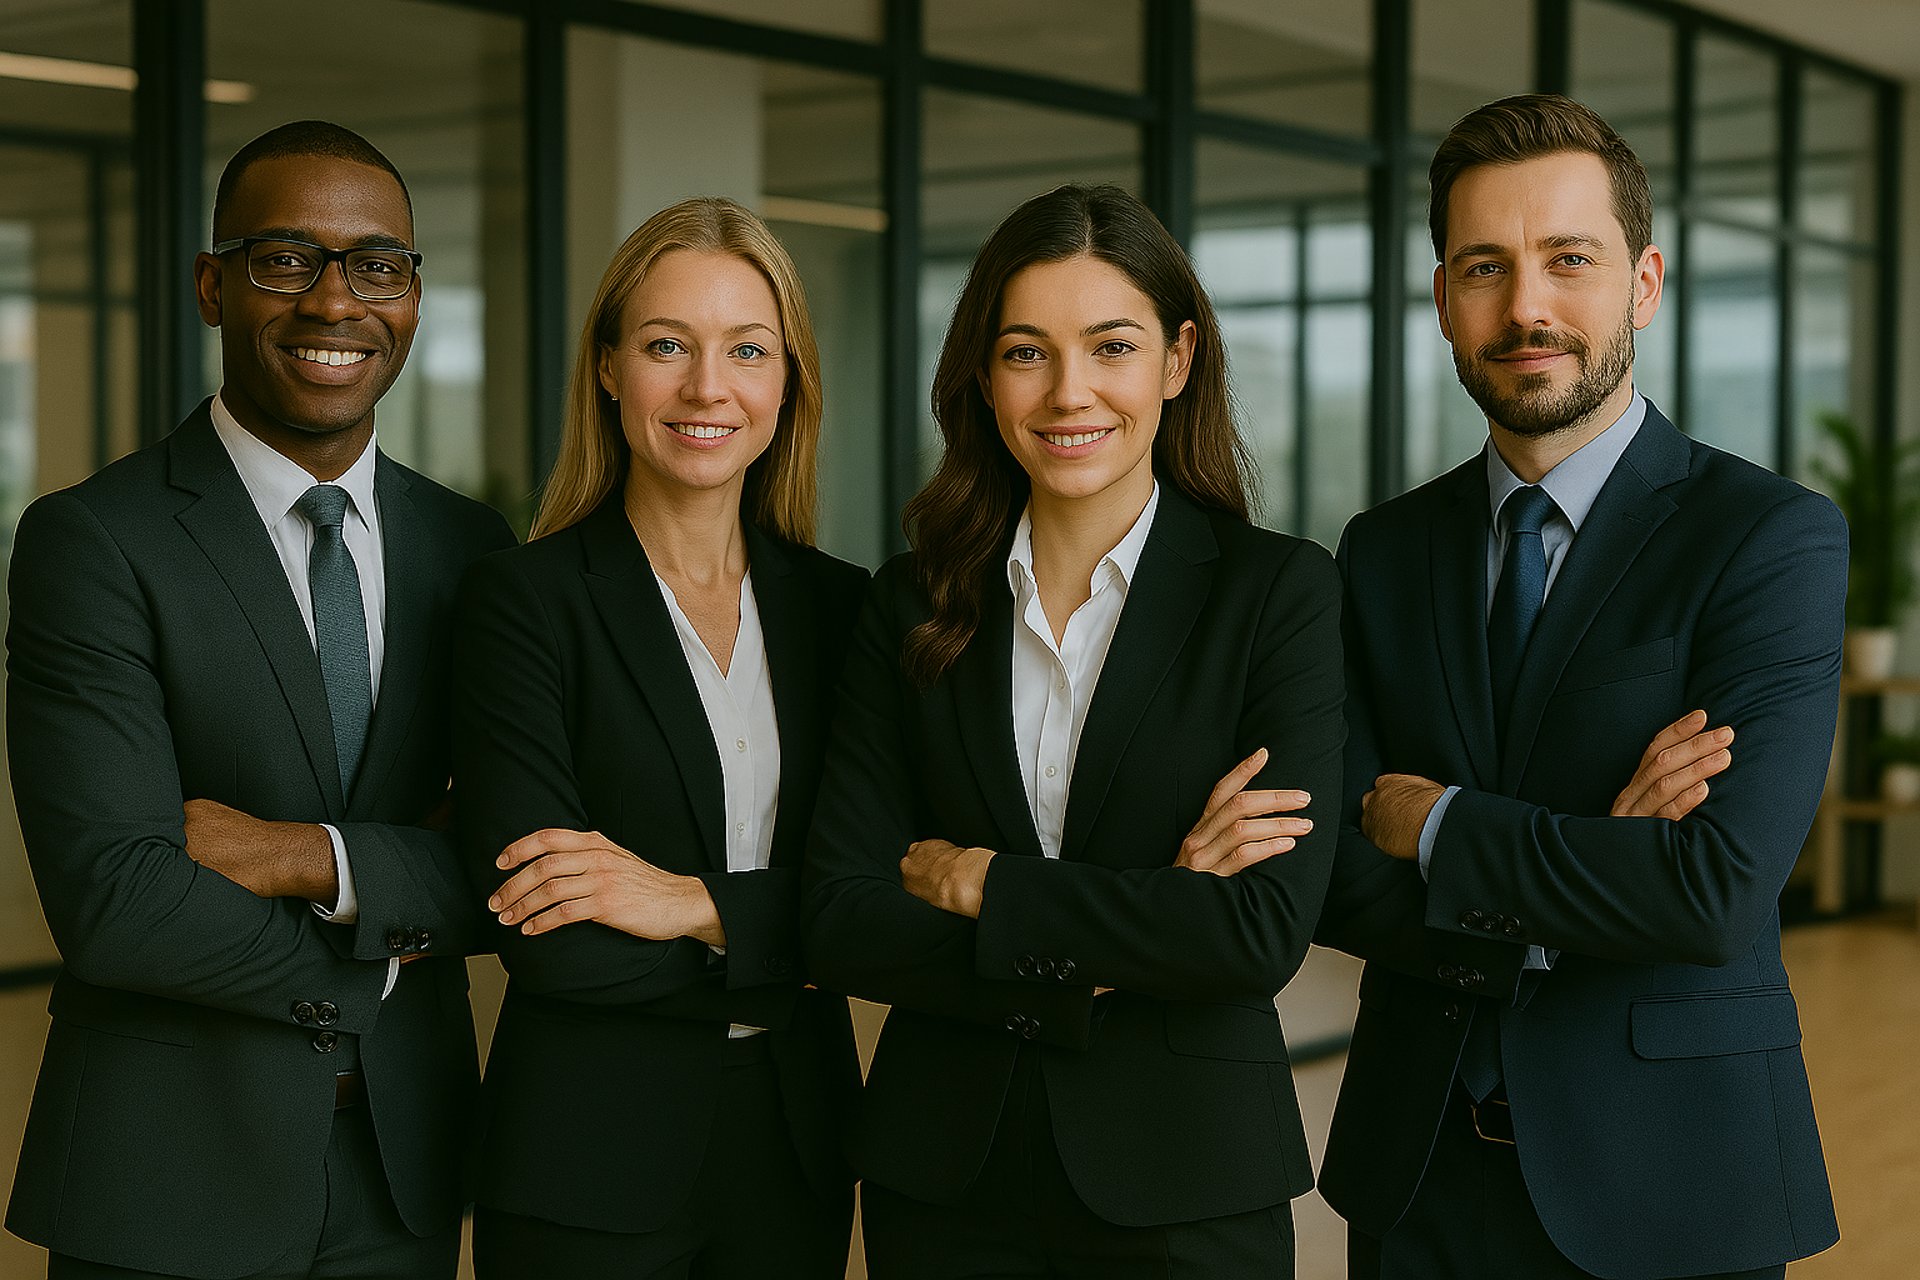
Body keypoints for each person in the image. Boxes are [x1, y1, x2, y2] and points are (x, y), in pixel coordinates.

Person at [1315, 93, 1843, 1280]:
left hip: (1674, 1179)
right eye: (1485, 267)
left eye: (1569, 260)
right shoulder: (1382, 551)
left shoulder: (1767, 538)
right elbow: (1337, 876)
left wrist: (1439, 821)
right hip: (1422, 1174)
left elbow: (1711, 892)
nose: (1527, 307)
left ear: (1644, 283)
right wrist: (1598, 855)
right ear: (1444, 297)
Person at [802, 183, 1342, 1279]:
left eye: (1112, 345)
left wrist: (986, 886)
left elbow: (1255, 933)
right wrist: (1145, 913)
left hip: (1187, 1179)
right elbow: (840, 915)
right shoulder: (909, 601)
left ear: (1178, 360)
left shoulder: (1276, 593)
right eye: (1026, 351)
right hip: (945, 1176)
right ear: (984, 376)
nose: (1069, 392)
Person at [4, 121, 514, 1279]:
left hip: (405, 1168)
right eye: (287, 258)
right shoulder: (95, 542)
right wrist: (388, 938)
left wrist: (302, 856)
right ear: (213, 285)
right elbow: (118, 899)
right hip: (167, 1178)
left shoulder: (475, 551)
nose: (336, 301)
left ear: (414, 298)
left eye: (377, 263)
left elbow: (511, 863)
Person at [453, 197, 864, 1279]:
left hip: (794, 1147)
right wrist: (805, 941)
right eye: (666, 345)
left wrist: (690, 903)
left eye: (746, 349)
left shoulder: (844, 611)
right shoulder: (523, 601)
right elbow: (545, 934)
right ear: (607, 367)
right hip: (587, 1160)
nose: (706, 387)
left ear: (787, 381)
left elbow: (873, 892)